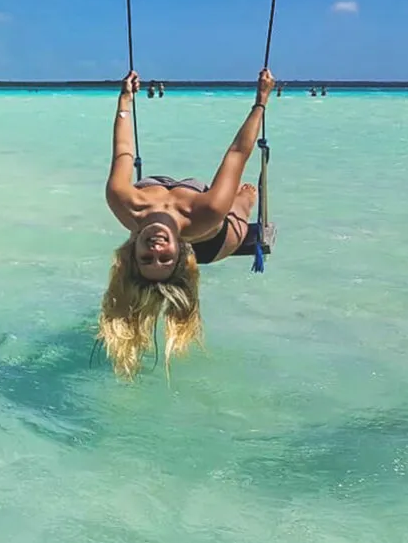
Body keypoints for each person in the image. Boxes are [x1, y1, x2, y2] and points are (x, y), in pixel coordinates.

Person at [97, 66, 275, 379]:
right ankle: (244, 201)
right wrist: (261, 100)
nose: (156, 249)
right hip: (213, 241)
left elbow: (124, 151)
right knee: (238, 204)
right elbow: (237, 153)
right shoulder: (206, 213)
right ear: (181, 251)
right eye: (164, 258)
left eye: (146, 257)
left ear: (132, 246)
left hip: (159, 197)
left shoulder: (123, 202)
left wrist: (125, 100)